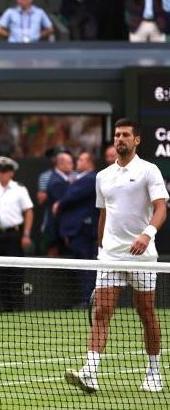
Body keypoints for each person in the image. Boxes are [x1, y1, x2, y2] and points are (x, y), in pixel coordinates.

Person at [65, 119, 168, 394]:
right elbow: (104, 214)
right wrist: (101, 249)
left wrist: (147, 234)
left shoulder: (150, 170)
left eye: (125, 135)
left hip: (142, 257)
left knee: (146, 313)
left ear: (137, 140)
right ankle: (90, 372)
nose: (120, 139)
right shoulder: (103, 176)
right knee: (101, 312)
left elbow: (161, 209)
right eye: (117, 135)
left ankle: (154, 373)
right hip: (110, 256)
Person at [0, 156, 33, 311]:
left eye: (5, 171)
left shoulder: (20, 189)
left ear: (11, 173)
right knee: (0, 271)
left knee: (16, 271)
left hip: (13, 234)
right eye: (0, 171)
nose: (2, 174)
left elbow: (29, 212)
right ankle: (6, 308)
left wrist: (26, 234)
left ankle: (18, 306)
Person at [54, 151, 97, 307]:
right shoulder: (80, 178)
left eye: (81, 159)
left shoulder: (90, 178)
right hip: (76, 231)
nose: (77, 161)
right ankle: (86, 299)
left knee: (86, 267)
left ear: (89, 163)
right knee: (82, 266)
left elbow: (70, 196)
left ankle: (87, 300)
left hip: (83, 231)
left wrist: (59, 204)